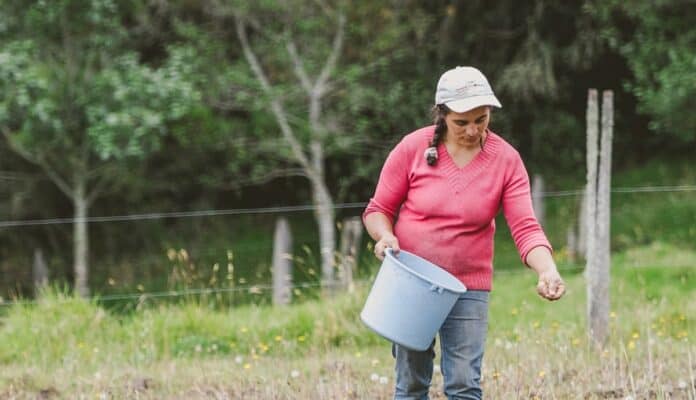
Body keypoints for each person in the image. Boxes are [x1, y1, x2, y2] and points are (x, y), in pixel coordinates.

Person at [362, 66, 566, 400]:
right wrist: (384, 236)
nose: (473, 130)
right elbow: (378, 210)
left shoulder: (506, 161)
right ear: (441, 115)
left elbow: (525, 227)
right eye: (461, 122)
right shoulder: (412, 148)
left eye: (481, 119)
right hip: (411, 282)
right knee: (411, 383)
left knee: (464, 383)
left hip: (468, 286)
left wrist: (547, 269)